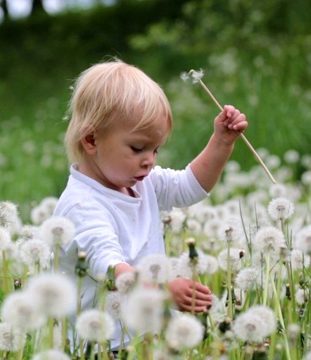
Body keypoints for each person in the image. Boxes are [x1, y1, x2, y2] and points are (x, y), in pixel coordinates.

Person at [53, 59, 248, 350]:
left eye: (155, 149)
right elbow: (112, 270)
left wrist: (221, 143)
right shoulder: (82, 207)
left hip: (146, 336)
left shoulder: (141, 182)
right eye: (137, 148)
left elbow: (189, 187)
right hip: (101, 346)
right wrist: (165, 292)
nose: (150, 160)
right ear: (92, 139)